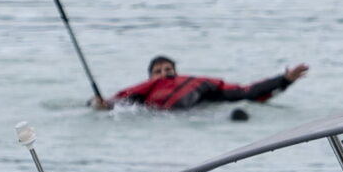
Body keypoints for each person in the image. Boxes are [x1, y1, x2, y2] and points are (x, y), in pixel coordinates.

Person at [93, 55, 309, 113]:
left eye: (168, 70)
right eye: (158, 72)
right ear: (149, 78)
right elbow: (114, 103)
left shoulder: (198, 88)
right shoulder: (138, 96)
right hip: (155, 116)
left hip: (199, 113)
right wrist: (101, 105)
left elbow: (247, 92)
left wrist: (284, 80)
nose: (164, 74)